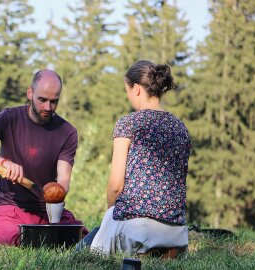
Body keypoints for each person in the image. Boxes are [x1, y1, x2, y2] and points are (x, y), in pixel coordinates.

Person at [0, 69, 87, 246]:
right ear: (30, 93)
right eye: (42, 100)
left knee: (80, 237)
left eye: (54, 101)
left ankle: (45, 236)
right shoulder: (8, 118)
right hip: (10, 207)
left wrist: (56, 195)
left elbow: (64, 180)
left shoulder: (67, 132)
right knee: (7, 239)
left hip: (47, 212)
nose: (47, 107)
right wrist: (3, 162)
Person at [81, 60, 191, 254]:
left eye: (128, 90)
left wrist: (110, 216)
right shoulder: (181, 128)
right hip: (176, 233)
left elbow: (116, 185)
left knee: (84, 248)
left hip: (136, 230)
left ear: (137, 89)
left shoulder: (129, 123)